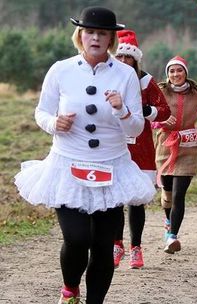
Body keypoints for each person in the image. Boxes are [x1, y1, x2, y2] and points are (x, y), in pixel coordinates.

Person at [13, 7, 155, 304]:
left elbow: (137, 126)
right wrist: (55, 124)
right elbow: (41, 112)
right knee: (77, 238)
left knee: (103, 245)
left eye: (102, 33)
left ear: (111, 39)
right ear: (80, 35)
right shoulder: (61, 69)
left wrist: (122, 110)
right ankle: (70, 289)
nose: (95, 38)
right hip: (68, 164)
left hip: (111, 167)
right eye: (90, 32)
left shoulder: (126, 74)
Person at [112, 29, 171, 269]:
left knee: (136, 200)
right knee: (115, 199)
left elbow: (165, 111)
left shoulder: (146, 81)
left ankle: (136, 247)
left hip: (140, 146)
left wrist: (147, 111)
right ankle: (117, 245)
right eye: (121, 57)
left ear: (136, 60)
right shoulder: (109, 77)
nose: (125, 62)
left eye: (129, 58)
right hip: (113, 142)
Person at [154, 55, 197, 254]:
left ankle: (172, 237)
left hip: (188, 147)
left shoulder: (196, 93)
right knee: (168, 193)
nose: (175, 74)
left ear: (185, 73)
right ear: (167, 74)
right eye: (171, 71)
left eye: (179, 70)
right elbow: (150, 117)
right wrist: (162, 123)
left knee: (179, 195)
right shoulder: (161, 91)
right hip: (164, 146)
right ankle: (168, 220)